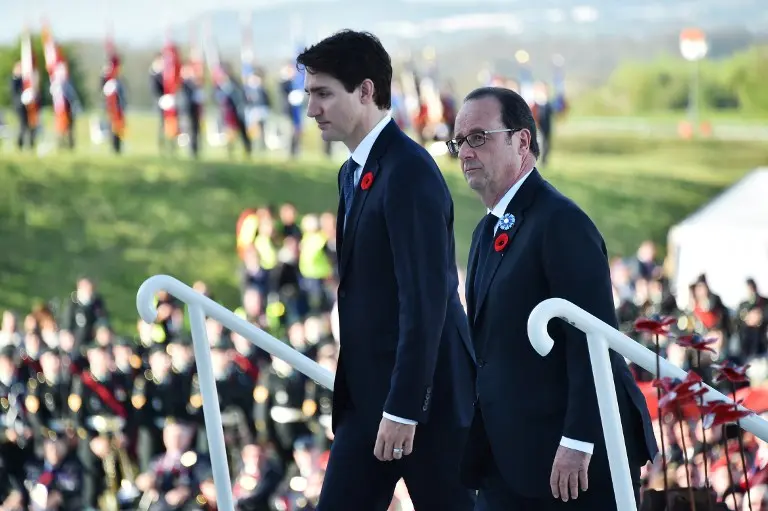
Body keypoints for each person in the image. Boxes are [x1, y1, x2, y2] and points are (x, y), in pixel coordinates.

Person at [450, 86, 658, 510]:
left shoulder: (560, 222)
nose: (465, 152)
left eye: (478, 137)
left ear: (521, 141)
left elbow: (594, 339)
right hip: (509, 455)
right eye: (459, 141)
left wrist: (578, 440)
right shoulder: (485, 231)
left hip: (572, 459)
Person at [297, 30, 476, 511]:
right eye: (310, 94)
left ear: (365, 91)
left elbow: (425, 300)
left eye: (323, 94)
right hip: (368, 403)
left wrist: (403, 408)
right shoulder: (352, 172)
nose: (312, 109)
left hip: (424, 403)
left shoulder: (408, 171)